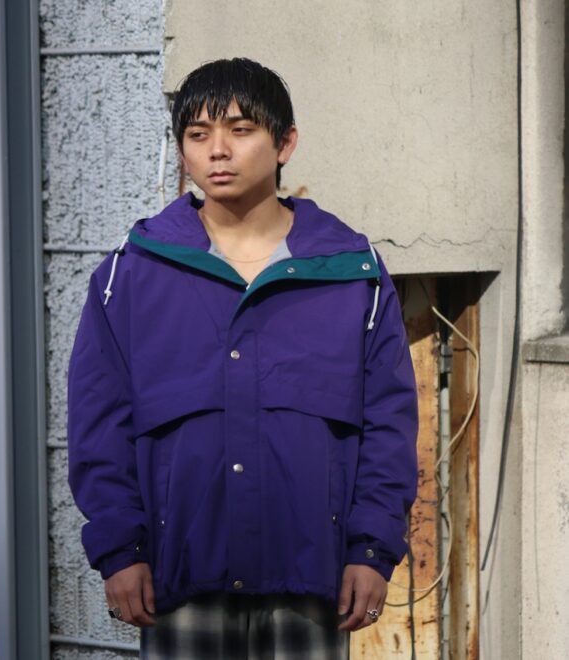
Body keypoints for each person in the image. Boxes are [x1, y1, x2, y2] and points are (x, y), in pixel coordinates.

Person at [68, 57, 418, 659]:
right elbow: (99, 423)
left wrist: (372, 549)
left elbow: (389, 421)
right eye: (197, 134)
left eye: (240, 129)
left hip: (310, 578)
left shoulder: (350, 273)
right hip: (182, 574)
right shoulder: (134, 274)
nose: (218, 150)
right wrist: (120, 550)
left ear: (285, 143)